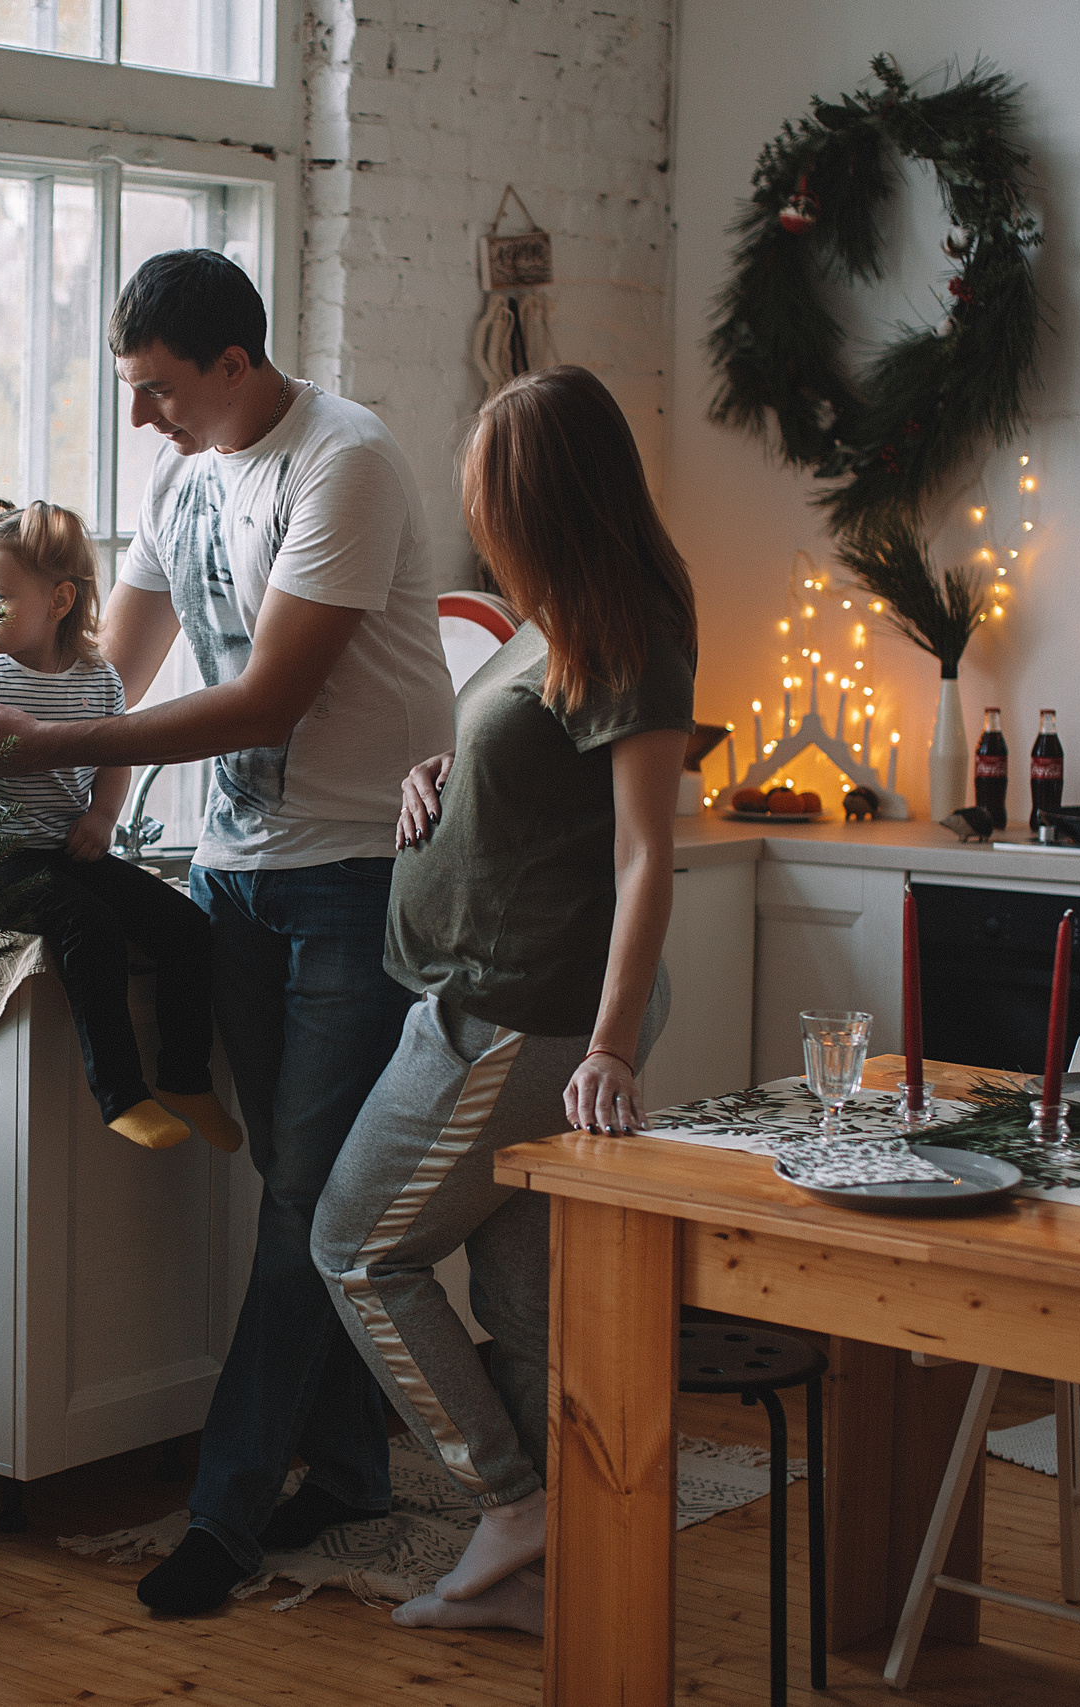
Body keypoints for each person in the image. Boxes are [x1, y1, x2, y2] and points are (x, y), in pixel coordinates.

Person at [0, 249, 455, 1615]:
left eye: (159, 388)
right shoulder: (183, 481)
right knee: (306, 1187)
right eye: (133, 391)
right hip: (236, 875)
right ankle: (354, 1466)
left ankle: (225, 1512)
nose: (143, 419)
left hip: (359, 873)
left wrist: (71, 747)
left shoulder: (342, 463)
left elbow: (267, 701)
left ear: (234, 364)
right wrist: (89, 820)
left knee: (311, 1193)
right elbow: (118, 669)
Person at [310, 365, 697, 1637]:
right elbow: (534, 755)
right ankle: (552, 1573)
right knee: (523, 1299)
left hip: (519, 1014)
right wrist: (444, 770)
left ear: (541, 499)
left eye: (490, 497)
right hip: (480, 993)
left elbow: (646, 852)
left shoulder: (627, 623)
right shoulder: (555, 614)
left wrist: (606, 1047)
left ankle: (509, 1502)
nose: (480, 522)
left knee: (357, 1248)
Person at [0, 498, 240, 1154]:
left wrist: (102, 815)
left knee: (186, 927)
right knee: (88, 925)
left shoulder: (97, 682)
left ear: (60, 600)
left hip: (66, 847)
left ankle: (184, 1077)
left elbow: (113, 755)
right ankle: (120, 1094)